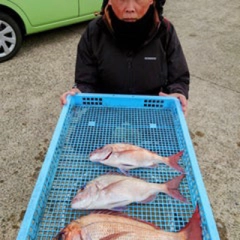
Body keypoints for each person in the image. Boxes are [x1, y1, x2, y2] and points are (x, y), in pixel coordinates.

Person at [60, 0, 189, 115]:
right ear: (109, 1)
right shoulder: (94, 32)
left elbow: (178, 78)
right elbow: (86, 81)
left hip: (151, 113)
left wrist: (178, 92)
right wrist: (79, 92)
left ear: (152, 1)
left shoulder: (165, 31)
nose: (130, 8)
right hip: (106, 112)